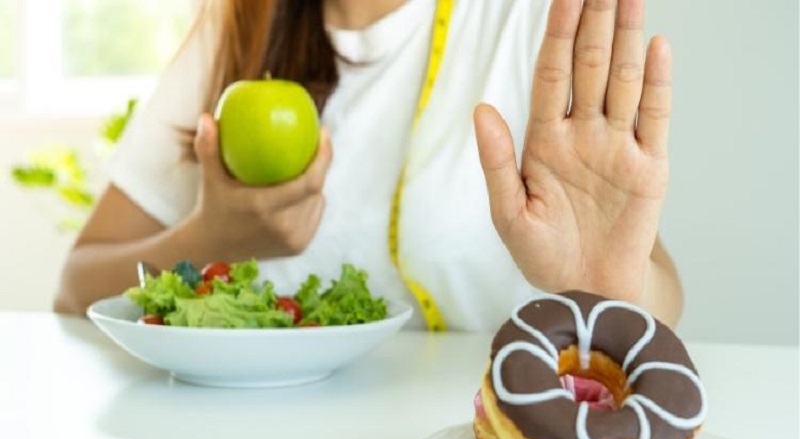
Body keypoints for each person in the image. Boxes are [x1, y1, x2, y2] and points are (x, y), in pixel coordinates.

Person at [55, 0, 683, 332]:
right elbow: (76, 288)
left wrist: (610, 288)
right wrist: (209, 238)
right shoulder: (240, 24)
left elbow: (662, 297)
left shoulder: (525, 20)